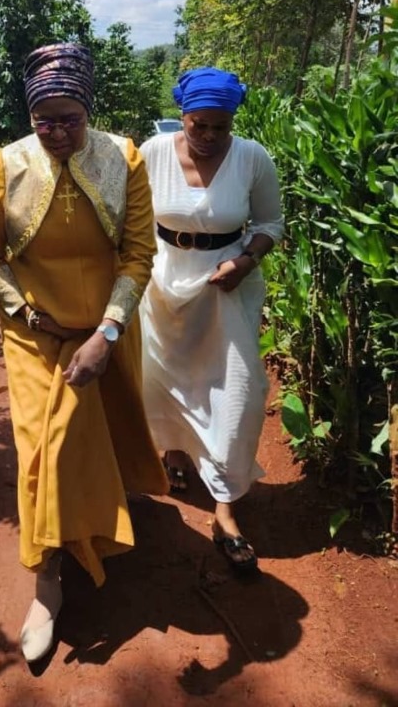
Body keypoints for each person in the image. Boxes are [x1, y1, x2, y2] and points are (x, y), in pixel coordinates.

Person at [0, 42, 168, 663]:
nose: (56, 132)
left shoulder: (124, 158)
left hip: (106, 331)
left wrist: (107, 333)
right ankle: (48, 581)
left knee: (101, 434)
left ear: (89, 109)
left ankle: (99, 521)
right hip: (35, 336)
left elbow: (139, 255)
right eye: (43, 119)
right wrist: (25, 311)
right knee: (44, 452)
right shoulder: (8, 164)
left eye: (69, 119)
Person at [139, 66, 284, 572]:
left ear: (232, 122)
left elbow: (269, 222)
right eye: (198, 125)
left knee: (235, 394)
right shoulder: (152, 154)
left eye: (219, 127)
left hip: (227, 288)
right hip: (161, 285)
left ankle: (224, 509)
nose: (208, 137)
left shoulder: (251, 158)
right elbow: (130, 219)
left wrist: (245, 262)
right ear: (182, 116)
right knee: (164, 381)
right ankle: (175, 457)